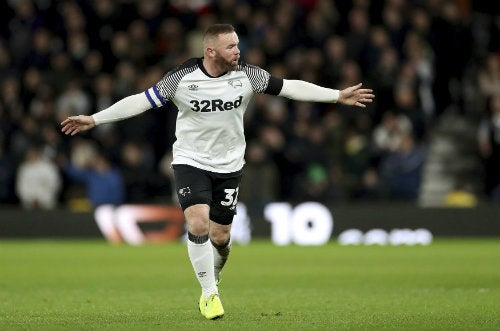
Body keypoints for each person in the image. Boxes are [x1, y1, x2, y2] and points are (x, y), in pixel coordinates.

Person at [60, 24, 374, 320]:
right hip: (190, 160)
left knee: (220, 237)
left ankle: (214, 273)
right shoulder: (181, 78)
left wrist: (336, 95)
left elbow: (289, 87)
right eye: (231, 46)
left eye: (238, 44)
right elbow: (141, 101)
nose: (238, 50)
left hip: (230, 165)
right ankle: (209, 293)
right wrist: (95, 119)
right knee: (197, 222)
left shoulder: (248, 76)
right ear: (211, 51)